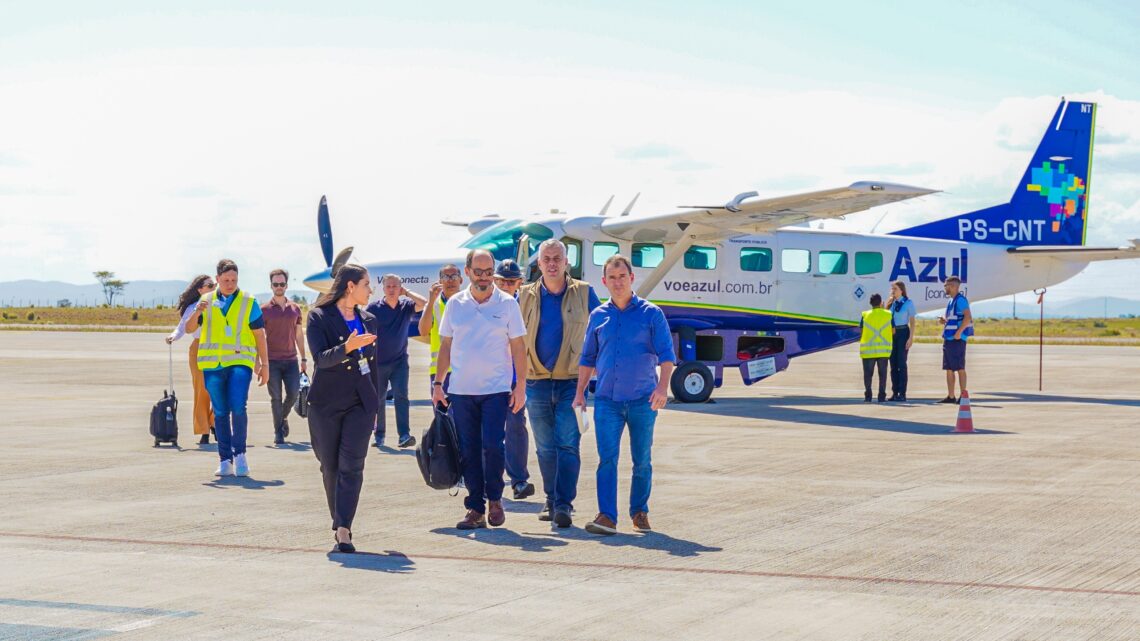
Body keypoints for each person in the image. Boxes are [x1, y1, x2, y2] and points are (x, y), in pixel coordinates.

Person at [575, 255, 675, 536]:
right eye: (612, 278)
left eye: (623, 277)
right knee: (607, 458)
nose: (618, 282)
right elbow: (588, 358)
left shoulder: (651, 314)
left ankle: (639, 511)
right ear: (604, 282)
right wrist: (580, 392)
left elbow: (667, 356)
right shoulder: (598, 316)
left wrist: (662, 387)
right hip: (607, 401)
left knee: (641, 459)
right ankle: (607, 516)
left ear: (632, 279)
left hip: (643, 400)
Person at [432, 249, 527, 530]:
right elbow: (446, 345)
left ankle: (495, 499)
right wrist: (439, 384)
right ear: (468, 271)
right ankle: (475, 507)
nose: (484, 278)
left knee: (492, 447)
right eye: (479, 272)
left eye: (488, 273)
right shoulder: (456, 304)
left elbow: (519, 347)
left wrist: (520, 385)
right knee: (468, 450)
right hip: (461, 390)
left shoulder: (508, 304)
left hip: (496, 390)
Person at [518, 239, 601, 526]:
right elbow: (513, 338)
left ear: (567, 263)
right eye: (546, 259)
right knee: (544, 448)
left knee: (568, 444)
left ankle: (564, 504)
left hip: (571, 382)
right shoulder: (524, 295)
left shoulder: (585, 293)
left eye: (557, 258)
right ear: (538, 264)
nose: (552, 263)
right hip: (535, 381)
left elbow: (601, 330)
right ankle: (551, 500)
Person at [305, 264, 381, 554]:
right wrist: (347, 348)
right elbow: (321, 359)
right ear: (351, 286)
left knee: (353, 465)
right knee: (331, 467)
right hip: (325, 403)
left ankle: (343, 528)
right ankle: (338, 520)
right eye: (366, 284)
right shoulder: (319, 317)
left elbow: (373, 365)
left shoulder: (370, 320)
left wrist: (375, 406)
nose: (370, 290)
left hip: (360, 403)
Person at [185, 259, 269, 477]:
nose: (230, 284)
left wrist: (264, 364)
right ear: (217, 279)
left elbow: (260, 335)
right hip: (213, 364)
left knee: (238, 405)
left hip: (240, 362)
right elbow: (189, 328)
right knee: (220, 411)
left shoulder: (249, 301)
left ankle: (240, 455)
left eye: (234, 280)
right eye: (226, 280)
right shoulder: (206, 300)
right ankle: (225, 460)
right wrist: (197, 311)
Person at [365, 274, 427, 449]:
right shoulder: (374, 308)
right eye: (389, 286)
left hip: (399, 362)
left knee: (402, 397)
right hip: (379, 362)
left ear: (400, 288)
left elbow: (423, 303)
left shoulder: (406, 306)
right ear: (383, 289)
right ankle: (379, 436)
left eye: (395, 286)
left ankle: (404, 435)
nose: (392, 290)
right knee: (379, 399)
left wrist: (406, 292)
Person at [492, 259, 535, 500]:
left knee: (516, 426)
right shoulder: (484, 304)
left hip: (514, 378)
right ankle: (489, 479)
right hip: (489, 377)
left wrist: (522, 383)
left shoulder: (527, 305)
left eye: (512, 281)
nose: (507, 285)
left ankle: (519, 480)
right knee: (488, 432)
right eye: (502, 281)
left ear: (520, 282)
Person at [166, 275, 216, 445]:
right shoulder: (193, 308)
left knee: (219, 389)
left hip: (218, 348)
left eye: (214, 285)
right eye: (210, 285)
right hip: (198, 349)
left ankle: (215, 423)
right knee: (201, 390)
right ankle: (204, 430)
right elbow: (182, 327)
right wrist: (172, 337)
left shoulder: (221, 305)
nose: (213, 287)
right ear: (200, 290)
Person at [261, 269, 307, 445]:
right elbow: (259, 337)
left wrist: (303, 358)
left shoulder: (295, 309)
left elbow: (299, 336)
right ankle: (278, 432)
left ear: (286, 286)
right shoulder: (263, 310)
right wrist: (260, 362)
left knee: (294, 393)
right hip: (271, 361)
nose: (279, 287)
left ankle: (283, 418)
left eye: (282, 284)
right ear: (271, 286)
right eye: (275, 284)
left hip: (291, 360)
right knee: (276, 398)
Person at [418, 264, 463, 393]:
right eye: (445, 277)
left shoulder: (470, 302)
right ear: (440, 281)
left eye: (454, 276)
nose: (450, 280)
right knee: (441, 412)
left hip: (465, 369)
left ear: (461, 280)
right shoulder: (434, 304)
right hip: (440, 371)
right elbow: (423, 331)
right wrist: (431, 302)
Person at [938, 275, 973, 403]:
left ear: (952, 286)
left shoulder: (961, 300)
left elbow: (968, 317)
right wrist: (945, 321)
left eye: (946, 286)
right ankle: (951, 396)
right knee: (948, 368)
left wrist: (959, 332)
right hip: (949, 338)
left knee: (959, 368)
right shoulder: (951, 301)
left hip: (957, 339)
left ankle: (963, 396)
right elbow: (956, 318)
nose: (945, 288)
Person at [885, 281, 916, 402]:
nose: (893, 290)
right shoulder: (890, 303)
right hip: (892, 334)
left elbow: (912, 322)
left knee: (901, 364)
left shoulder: (908, 303)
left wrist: (911, 338)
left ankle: (902, 393)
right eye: (892, 288)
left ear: (901, 290)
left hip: (903, 332)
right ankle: (894, 392)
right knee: (893, 364)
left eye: (895, 288)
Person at [859, 293, 893, 403]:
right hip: (883, 350)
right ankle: (881, 396)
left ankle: (868, 395)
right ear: (881, 302)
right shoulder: (888, 314)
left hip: (868, 351)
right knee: (882, 374)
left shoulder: (865, 315)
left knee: (868, 375)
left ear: (870, 303)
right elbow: (893, 331)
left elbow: (861, 331)